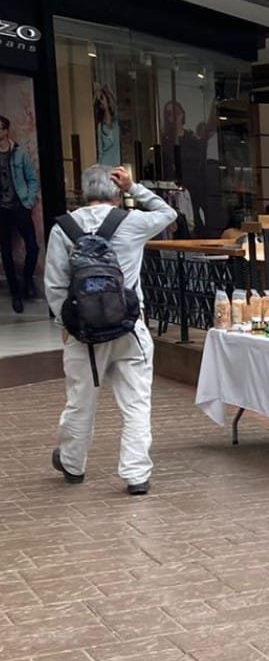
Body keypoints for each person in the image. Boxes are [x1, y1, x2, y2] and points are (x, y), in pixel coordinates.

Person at [45, 165, 176, 494]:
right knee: (135, 403)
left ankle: (73, 464)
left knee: (80, 401)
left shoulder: (63, 228)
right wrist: (136, 187)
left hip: (84, 333)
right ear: (117, 194)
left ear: (83, 191)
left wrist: (65, 324)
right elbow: (168, 212)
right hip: (129, 327)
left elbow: (56, 285)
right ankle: (135, 475)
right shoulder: (132, 222)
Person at [0, 114, 41, 312]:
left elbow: (32, 179)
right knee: (5, 251)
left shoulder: (19, 153)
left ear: (6, 130)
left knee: (32, 247)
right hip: (2, 210)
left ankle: (27, 281)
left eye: (0, 128)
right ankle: (15, 293)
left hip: (20, 206)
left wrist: (29, 201)